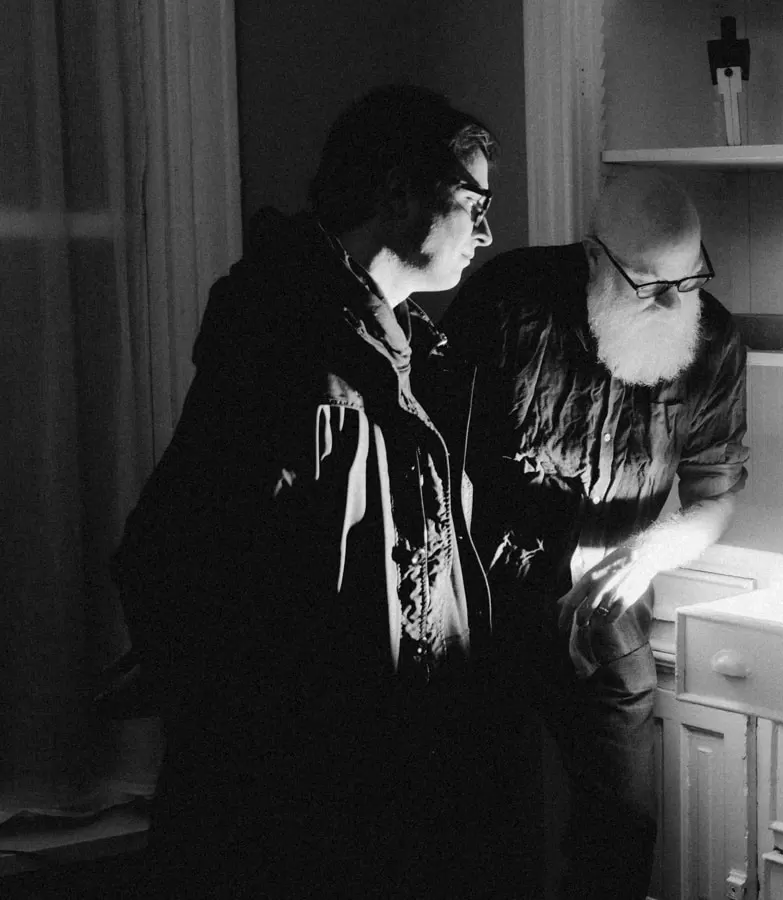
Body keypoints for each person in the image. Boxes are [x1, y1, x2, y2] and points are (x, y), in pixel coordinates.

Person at [113, 85, 502, 898]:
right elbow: (171, 555)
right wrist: (281, 735)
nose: (486, 231)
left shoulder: (405, 355)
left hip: (385, 772)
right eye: (473, 202)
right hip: (307, 794)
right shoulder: (292, 350)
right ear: (398, 195)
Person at [442, 168, 750, 900]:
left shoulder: (713, 340)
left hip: (608, 610)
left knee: (624, 827)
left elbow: (717, 498)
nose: (674, 300)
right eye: (650, 281)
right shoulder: (510, 299)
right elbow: (434, 450)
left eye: (689, 277)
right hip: (483, 607)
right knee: (481, 823)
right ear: (596, 256)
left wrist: (652, 551)